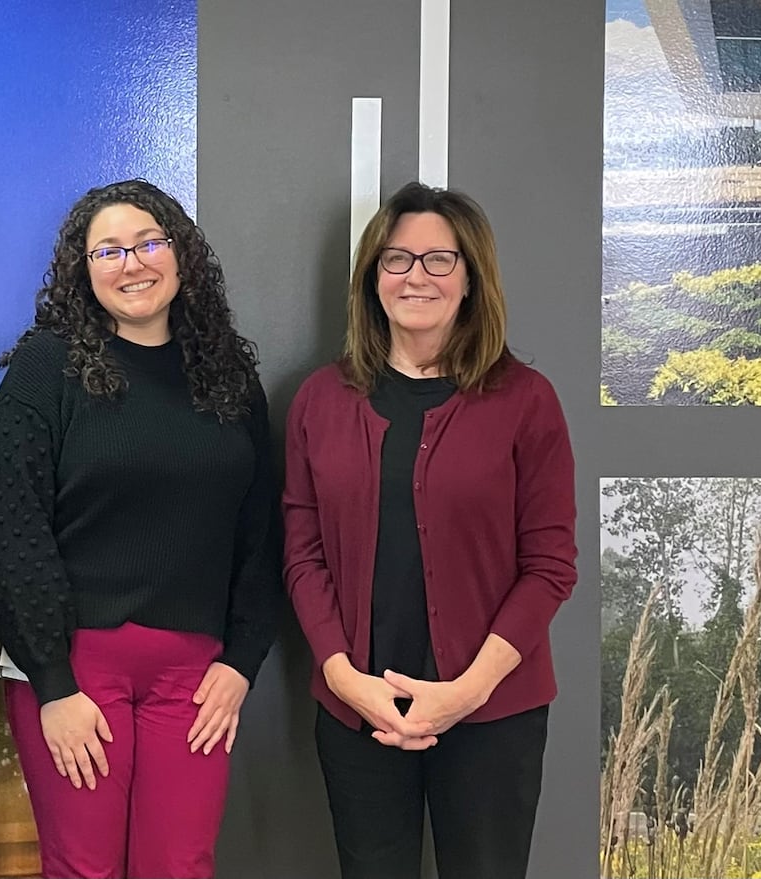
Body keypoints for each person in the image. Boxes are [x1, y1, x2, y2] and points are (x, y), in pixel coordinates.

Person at [0, 179, 284, 879]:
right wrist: (51, 682)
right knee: (84, 867)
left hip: (197, 673)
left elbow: (261, 532)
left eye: (149, 243)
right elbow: (11, 527)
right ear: (82, 271)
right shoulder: (45, 370)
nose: (131, 263)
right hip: (74, 667)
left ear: (181, 256)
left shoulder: (228, 377)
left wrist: (241, 661)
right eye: (107, 250)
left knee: (179, 864)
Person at [282, 181, 577, 879]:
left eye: (439, 260)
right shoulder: (320, 401)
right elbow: (301, 548)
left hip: (493, 714)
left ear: (471, 279)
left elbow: (550, 565)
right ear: (370, 277)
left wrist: (467, 690)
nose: (415, 275)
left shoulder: (527, 401)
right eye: (396, 258)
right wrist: (342, 674)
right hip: (359, 712)